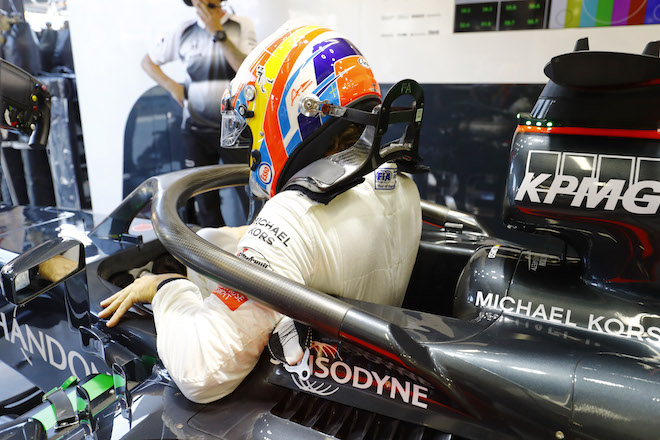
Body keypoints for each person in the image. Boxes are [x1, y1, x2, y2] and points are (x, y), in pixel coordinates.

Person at [100, 25, 423, 404]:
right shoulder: (398, 184)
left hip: (306, 397)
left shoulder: (295, 215)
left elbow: (200, 373)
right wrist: (240, 236)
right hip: (372, 374)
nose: (254, 144)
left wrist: (165, 288)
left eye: (254, 127)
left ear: (294, 112)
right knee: (211, 239)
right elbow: (316, 246)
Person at [140, 0, 257, 227]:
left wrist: (218, 33)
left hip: (236, 130)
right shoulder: (183, 30)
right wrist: (173, 87)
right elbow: (147, 62)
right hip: (195, 130)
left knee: (250, 194)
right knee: (205, 202)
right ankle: (212, 247)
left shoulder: (241, 25)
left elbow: (249, 70)